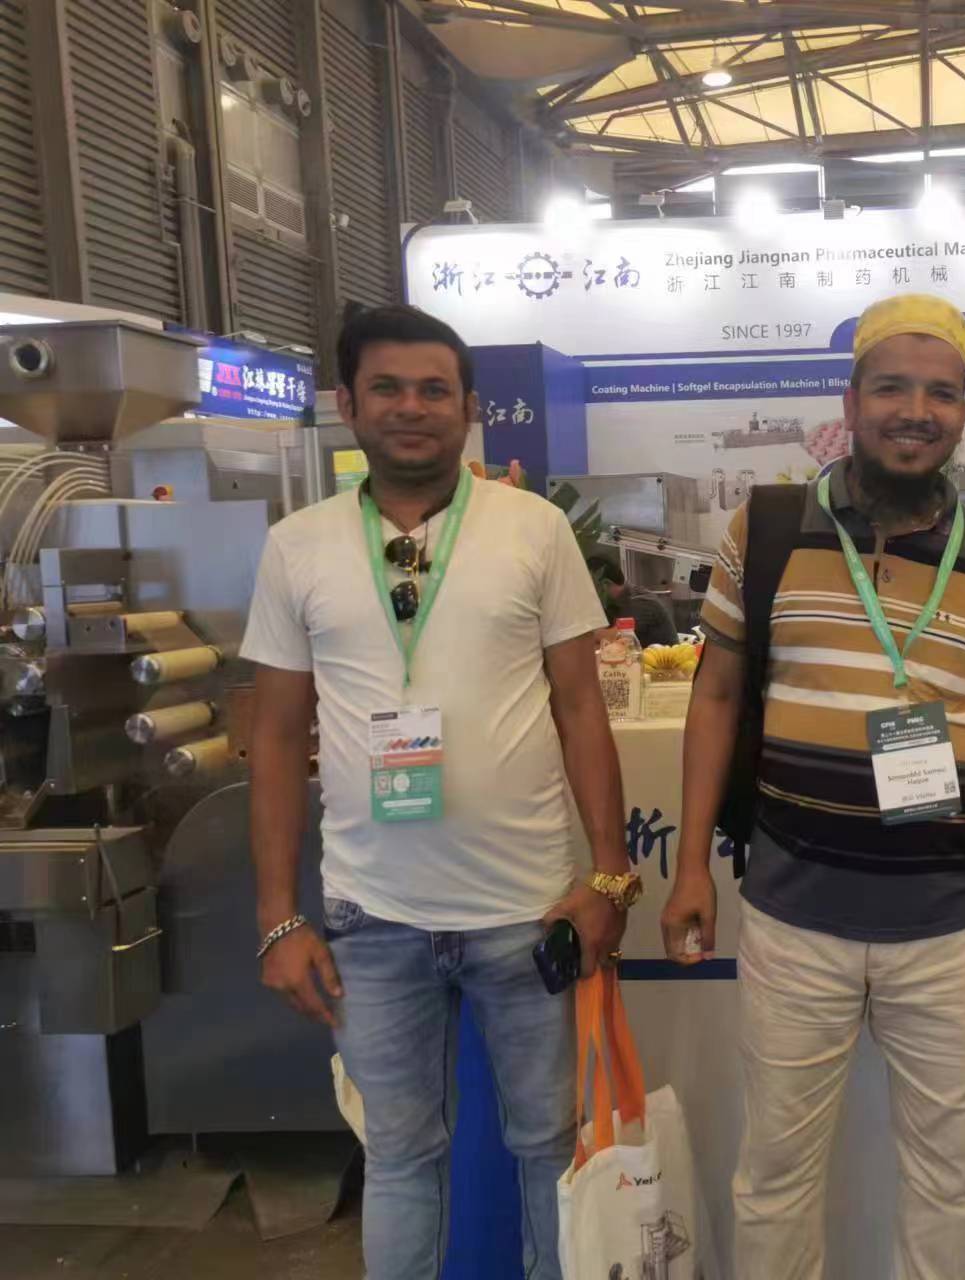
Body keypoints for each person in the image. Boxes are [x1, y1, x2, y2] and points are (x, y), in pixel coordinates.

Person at [661, 294, 965, 1280]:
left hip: (950, 919)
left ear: (962, 411)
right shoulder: (765, 530)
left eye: (941, 392)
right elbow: (716, 694)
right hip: (796, 911)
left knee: (948, 1178)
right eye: (891, 387)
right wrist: (689, 867)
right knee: (775, 1171)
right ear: (850, 402)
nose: (915, 411)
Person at [242, 304, 641, 1280]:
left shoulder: (534, 530)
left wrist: (608, 875)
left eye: (434, 389)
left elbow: (580, 706)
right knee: (399, 1154)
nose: (411, 407)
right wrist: (277, 918)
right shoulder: (297, 545)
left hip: (528, 909)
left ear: (469, 408)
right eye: (386, 388)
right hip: (372, 916)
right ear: (348, 405)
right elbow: (276, 735)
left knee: (547, 1144)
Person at [586, 550, 679, 648]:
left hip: (665, 657)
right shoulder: (614, 603)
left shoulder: (640, 603)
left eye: (590, 586)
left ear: (606, 584)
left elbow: (613, 637)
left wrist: (589, 633)